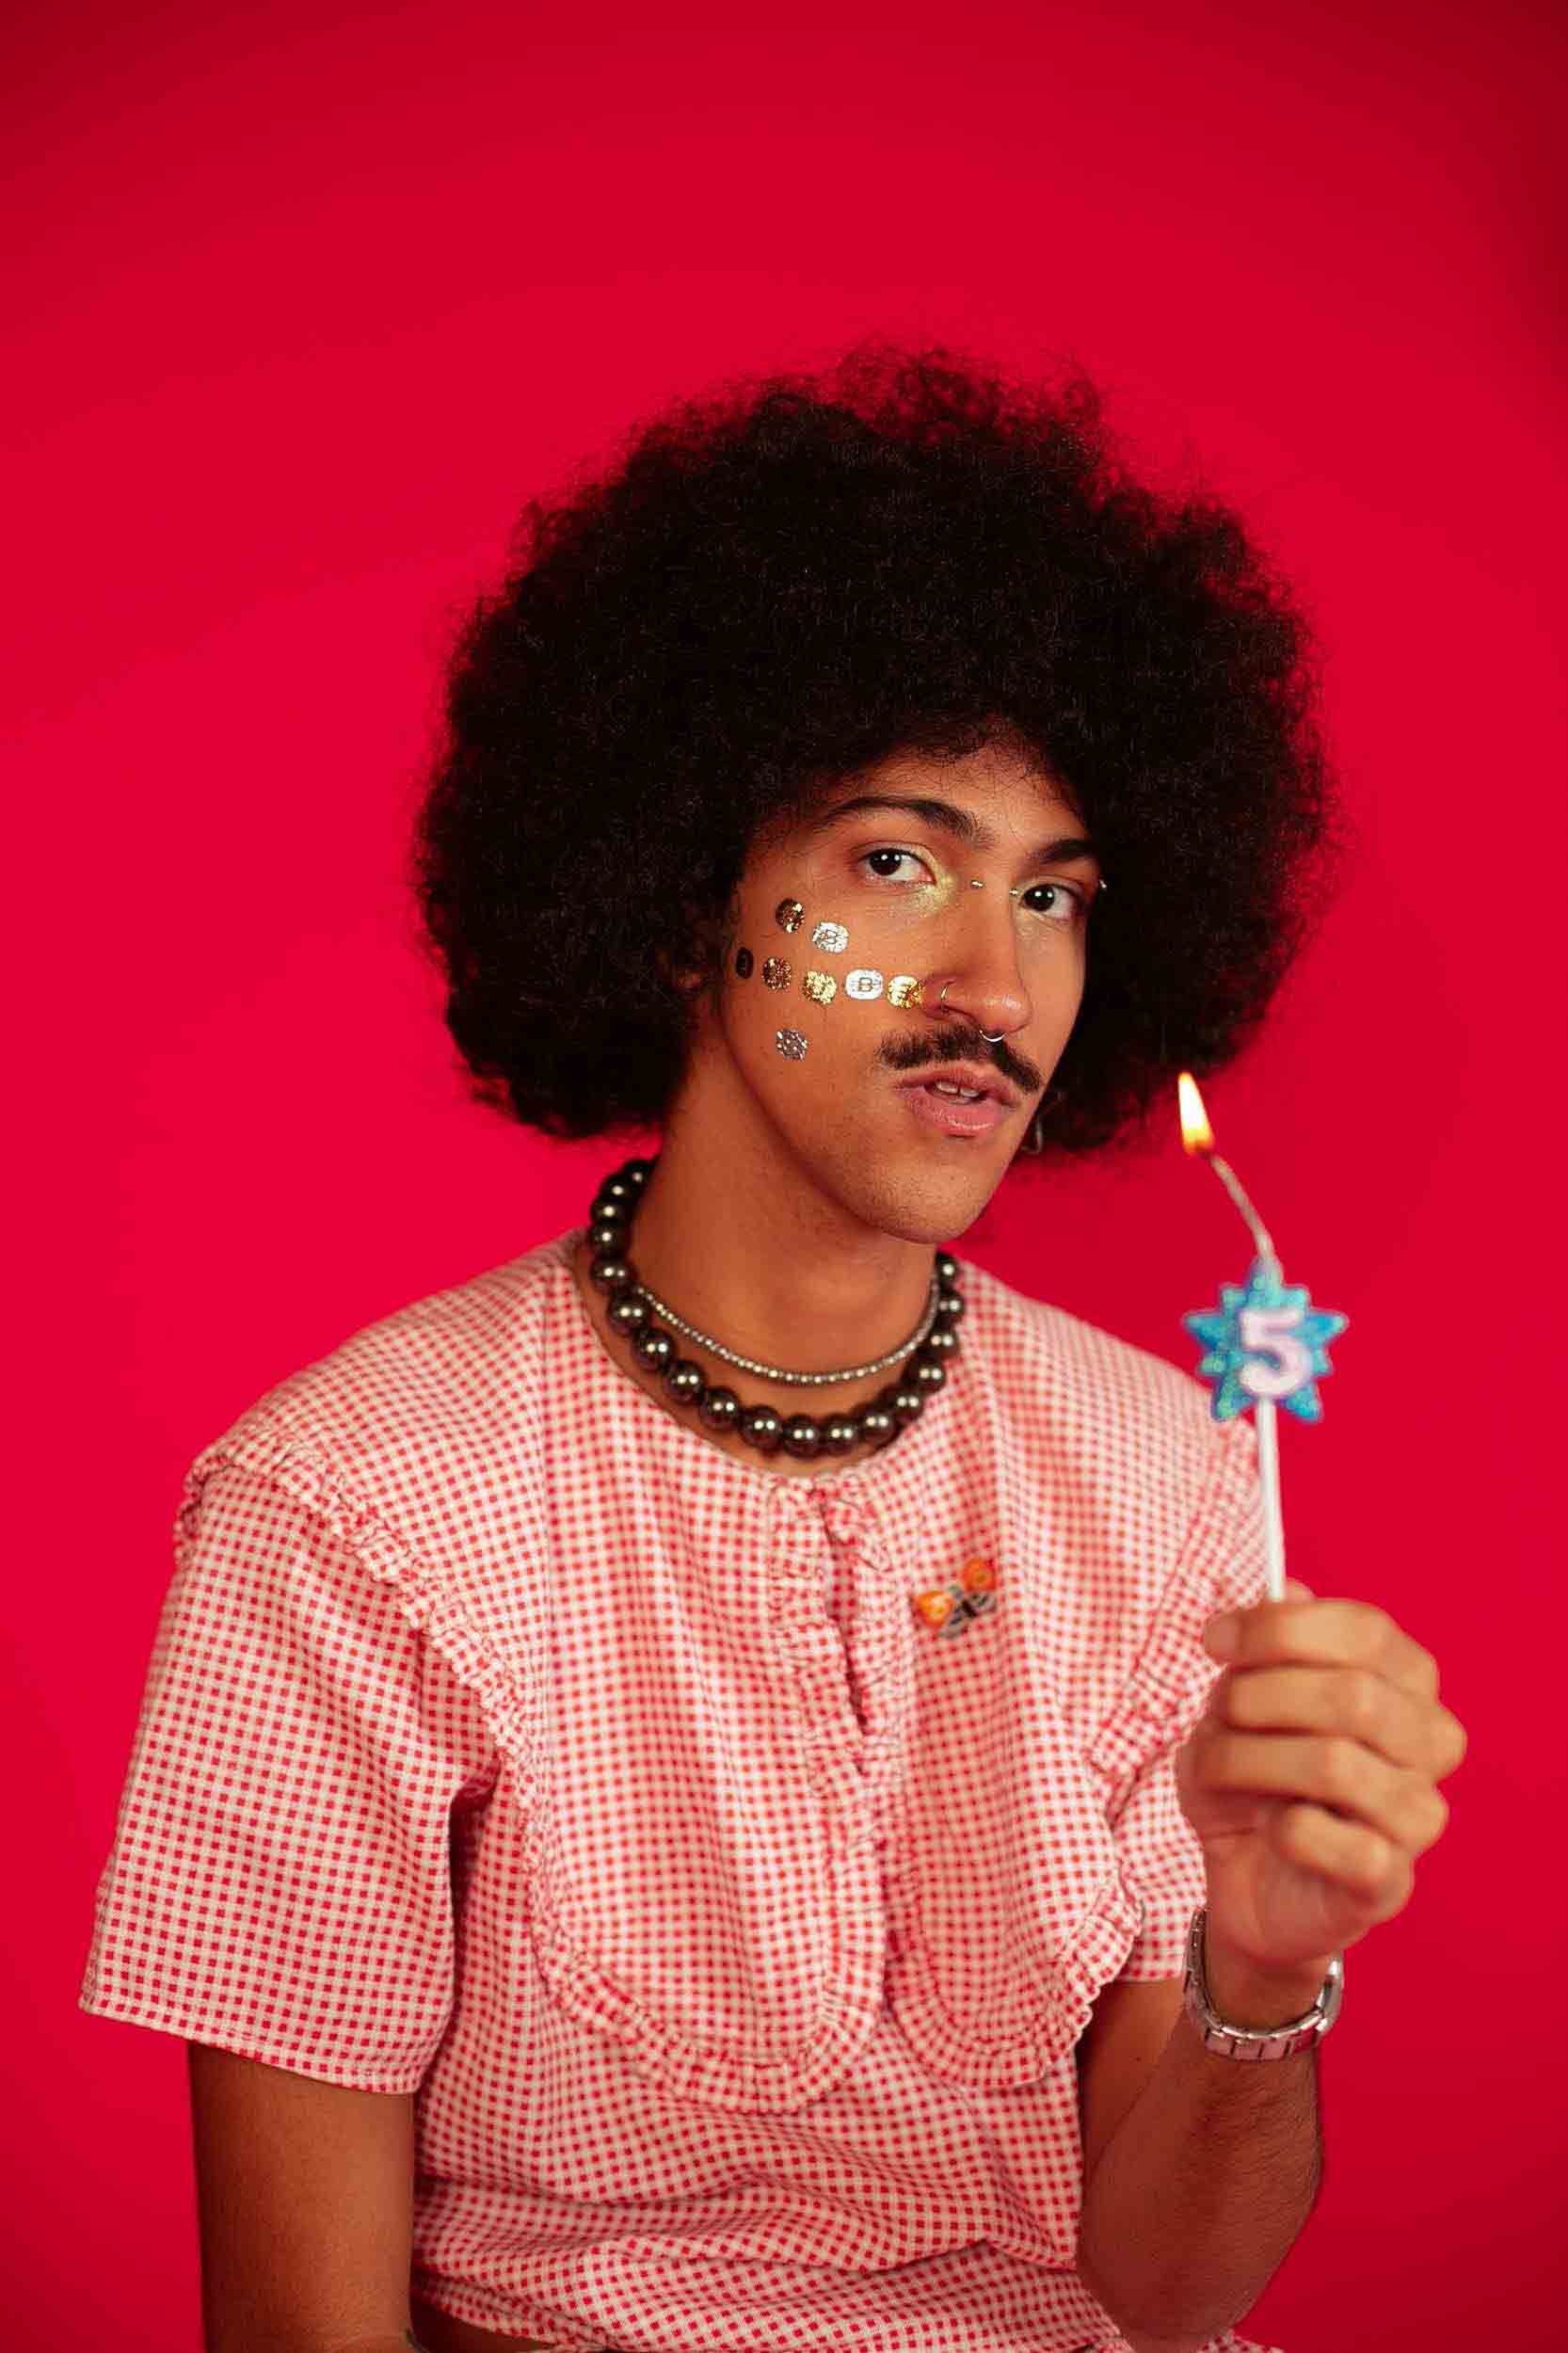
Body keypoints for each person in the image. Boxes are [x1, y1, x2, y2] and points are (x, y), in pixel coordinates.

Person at [80, 342, 1465, 2353]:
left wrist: (1258, 1981)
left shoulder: (1165, 1474)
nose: (997, 984)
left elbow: (1168, 2294)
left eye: (1055, 893)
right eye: (895, 862)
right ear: (677, 900)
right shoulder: (348, 1508)